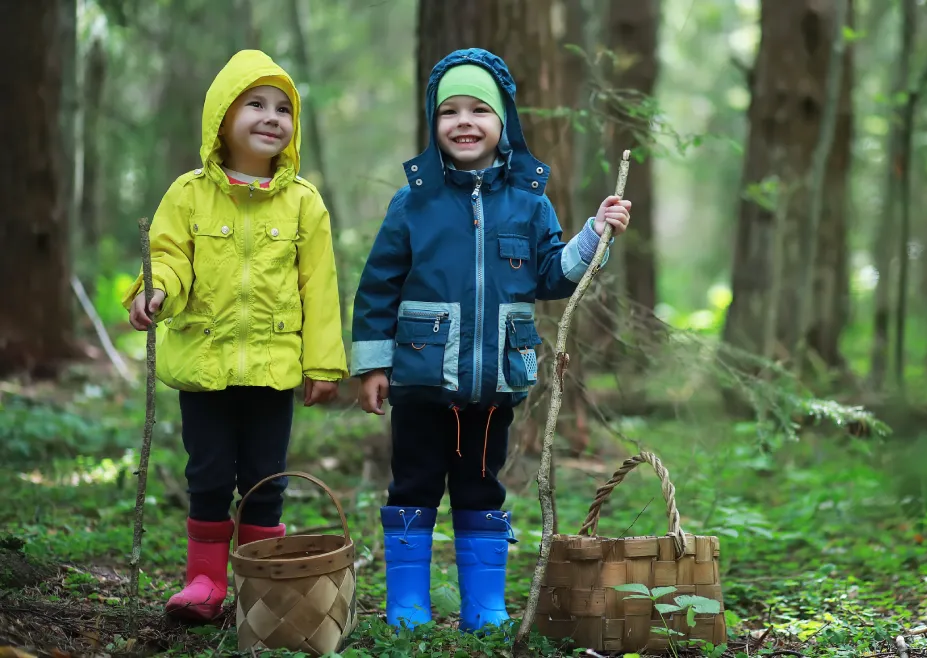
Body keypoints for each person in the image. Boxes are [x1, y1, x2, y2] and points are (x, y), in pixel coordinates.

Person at [351, 48, 631, 632]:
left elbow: (552, 274)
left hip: (494, 384)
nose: (464, 121)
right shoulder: (413, 202)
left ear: (504, 122)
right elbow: (379, 285)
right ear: (434, 124)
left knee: (482, 489)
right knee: (413, 485)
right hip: (422, 381)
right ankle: (407, 604)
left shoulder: (528, 203)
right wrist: (374, 365)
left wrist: (595, 233)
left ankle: (484, 605)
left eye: (479, 109)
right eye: (449, 111)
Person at [122, 49, 348, 622]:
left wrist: (323, 365)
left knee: (265, 480)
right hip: (205, 362)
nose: (272, 117)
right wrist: (154, 292)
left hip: (273, 367)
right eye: (255, 104)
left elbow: (319, 287)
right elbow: (170, 257)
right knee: (209, 474)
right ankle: (205, 581)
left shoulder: (304, 203)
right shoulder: (189, 193)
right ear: (221, 117)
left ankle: (260, 582)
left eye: (283, 108)